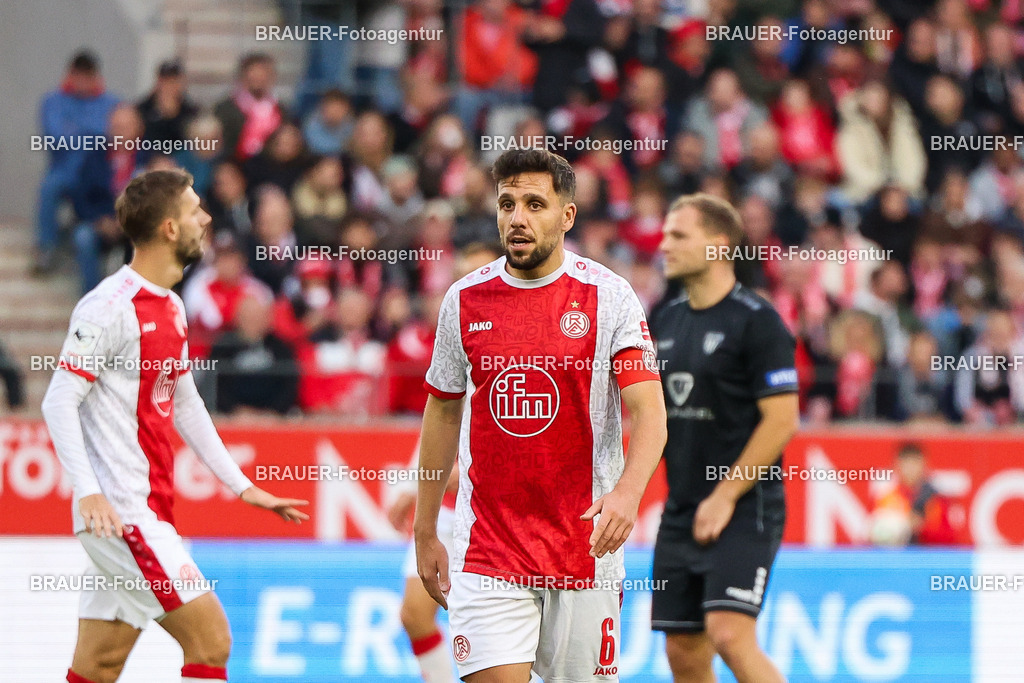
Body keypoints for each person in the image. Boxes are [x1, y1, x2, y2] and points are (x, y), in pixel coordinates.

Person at [40, 169, 309, 683]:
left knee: (97, 665)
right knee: (212, 642)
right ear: (169, 228)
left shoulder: (172, 306)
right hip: (120, 515)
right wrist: (90, 491)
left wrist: (242, 486)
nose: (205, 220)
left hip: (142, 512)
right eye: (195, 211)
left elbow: (185, 405)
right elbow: (58, 400)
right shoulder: (108, 305)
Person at [415, 148, 667, 682]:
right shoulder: (464, 301)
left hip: (584, 547)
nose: (518, 218)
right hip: (488, 549)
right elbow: (441, 412)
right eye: (507, 204)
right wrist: (424, 527)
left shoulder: (610, 297)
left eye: (534, 204)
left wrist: (627, 493)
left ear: (567, 216)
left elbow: (649, 412)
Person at [651, 193, 799, 683]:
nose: (663, 244)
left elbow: (782, 420)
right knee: (683, 651)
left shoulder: (759, 321)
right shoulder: (663, 320)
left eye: (678, 235)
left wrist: (725, 493)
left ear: (718, 246)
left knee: (730, 634)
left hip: (744, 505)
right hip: (681, 508)